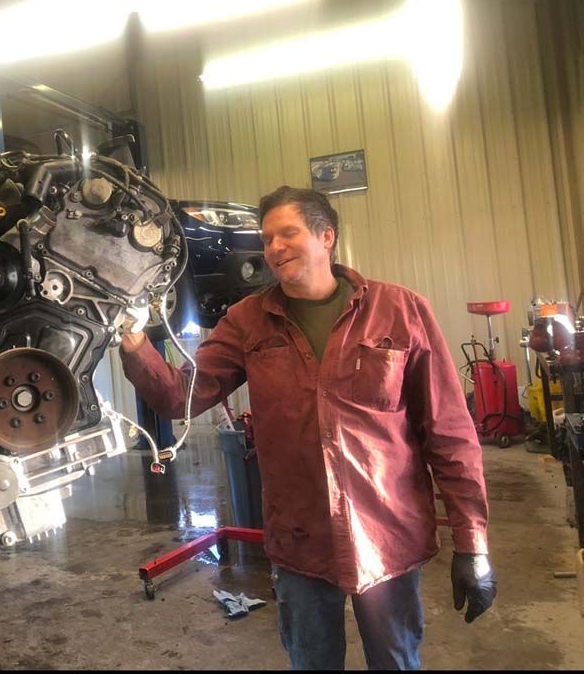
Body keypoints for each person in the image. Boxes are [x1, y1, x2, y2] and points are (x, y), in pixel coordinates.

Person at [119, 186, 496, 670]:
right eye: (268, 238)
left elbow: (449, 433)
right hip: (300, 540)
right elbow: (180, 396)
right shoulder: (247, 321)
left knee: (396, 661)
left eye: (288, 233)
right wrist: (133, 344)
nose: (274, 248)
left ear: (326, 237)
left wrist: (474, 544)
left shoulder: (401, 311)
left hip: (386, 534)